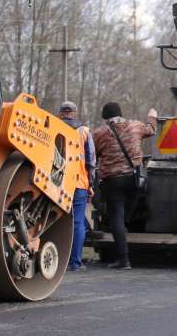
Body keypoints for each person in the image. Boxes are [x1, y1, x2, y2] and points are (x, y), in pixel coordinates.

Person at [93, 101, 157, 269]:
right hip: (134, 179)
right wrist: (152, 116)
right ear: (121, 113)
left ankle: (124, 260)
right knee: (125, 216)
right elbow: (151, 129)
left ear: (105, 118)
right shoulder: (135, 126)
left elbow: (95, 154)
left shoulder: (99, 133)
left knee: (117, 220)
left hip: (112, 181)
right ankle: (124, 230)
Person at [59, 101, 96, 272]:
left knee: (57, 222)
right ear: (74, 113)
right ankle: (75, 263)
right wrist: (91, 184)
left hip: (56, 184)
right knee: (78, 222)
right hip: (79, 183)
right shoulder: (84, 131)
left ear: (61, 113)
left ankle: (57, 262)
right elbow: (91, 161)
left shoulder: (53, 128)